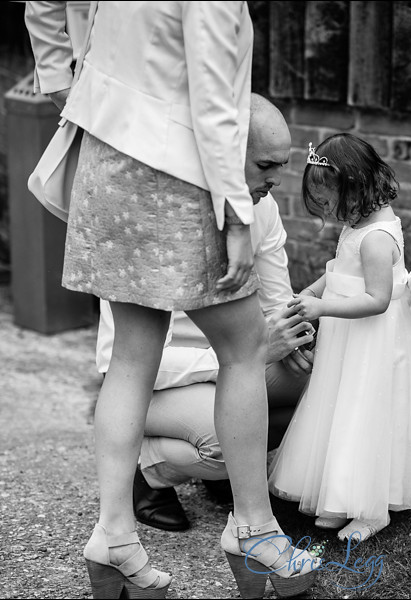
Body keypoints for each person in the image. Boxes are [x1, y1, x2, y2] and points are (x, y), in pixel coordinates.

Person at [24, 3, 319, 598]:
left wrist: (63, 83)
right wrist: (237, 212)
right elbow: (212, 92)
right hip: (180, 170)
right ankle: (256, 532)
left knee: (134, 354)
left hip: (104, 155)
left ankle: (114, 536)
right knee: (243, 349)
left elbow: (45, 3)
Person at [94, 94, 316, 531]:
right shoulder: (155, 215)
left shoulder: (263, 208)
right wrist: (248, 354)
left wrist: (300, 339)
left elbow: (277, 303)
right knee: (220, 440)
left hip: (237, 363)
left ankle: (236, 469)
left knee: (319, 384)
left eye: (281, 166)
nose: (276, 179)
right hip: (159, 381)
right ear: (225, 152)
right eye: (265, 166)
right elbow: (118, 360)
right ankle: (149, 469)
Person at [267, 133, 411, 543]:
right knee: (339, 407)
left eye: (329, 202)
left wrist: (322, 310)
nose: (327, 211)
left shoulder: (376, 238)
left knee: (365, 411)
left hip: (372, 341)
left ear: (356, 186)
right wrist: (312, 291)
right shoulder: (357, 223)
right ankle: (338, 494)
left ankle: (371, 508)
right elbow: (340, 269)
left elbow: (377, 300)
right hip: (350, 338)